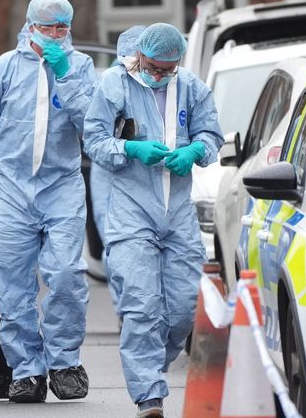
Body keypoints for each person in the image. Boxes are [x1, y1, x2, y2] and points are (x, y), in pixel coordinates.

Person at [83, 23, 224, 418]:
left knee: (182, 308)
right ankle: (149, 396)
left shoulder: (193, 87)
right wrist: (129, 147)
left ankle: (149, 366)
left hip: (178, 213)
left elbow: (212, 134)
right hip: (131, 210)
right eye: (154, 68)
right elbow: (94, 140)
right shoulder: (115, 84)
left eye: (168, 69)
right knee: (141, 305)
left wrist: (195, 149)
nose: (160, 75)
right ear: (140, 56)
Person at [0, 0, 94, 403]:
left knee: (65, 275)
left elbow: (91, 125)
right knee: (12, 284)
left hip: (61, 186)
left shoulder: (80, 66)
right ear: (30, 26)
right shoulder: (4, 67)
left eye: (62, 27)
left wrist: (67, 77)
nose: (56, 35)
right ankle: (26, 370)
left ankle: (64, 363)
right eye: (48, 27)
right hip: (10, 188)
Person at [90, 25, 147, 321]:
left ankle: (143, 310)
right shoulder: (108, 83)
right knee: (114, 242)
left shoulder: (164, 81)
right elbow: (94, 136)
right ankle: (126, 312)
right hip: (108, 169)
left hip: (148, 171)